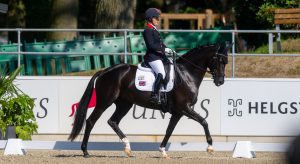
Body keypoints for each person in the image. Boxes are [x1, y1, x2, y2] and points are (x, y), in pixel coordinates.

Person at [143, 8, 173, 104]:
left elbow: (160, 44)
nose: (158, 20)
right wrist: (163, 49)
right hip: (152, 57)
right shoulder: (148, 30)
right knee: (161, 73)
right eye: (156, 18)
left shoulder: (153, 29)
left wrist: (168, 49)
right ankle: (154, 95)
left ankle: (165, 93)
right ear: (151, 18)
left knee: (171, 66)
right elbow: (151, 45)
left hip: (159, 56)